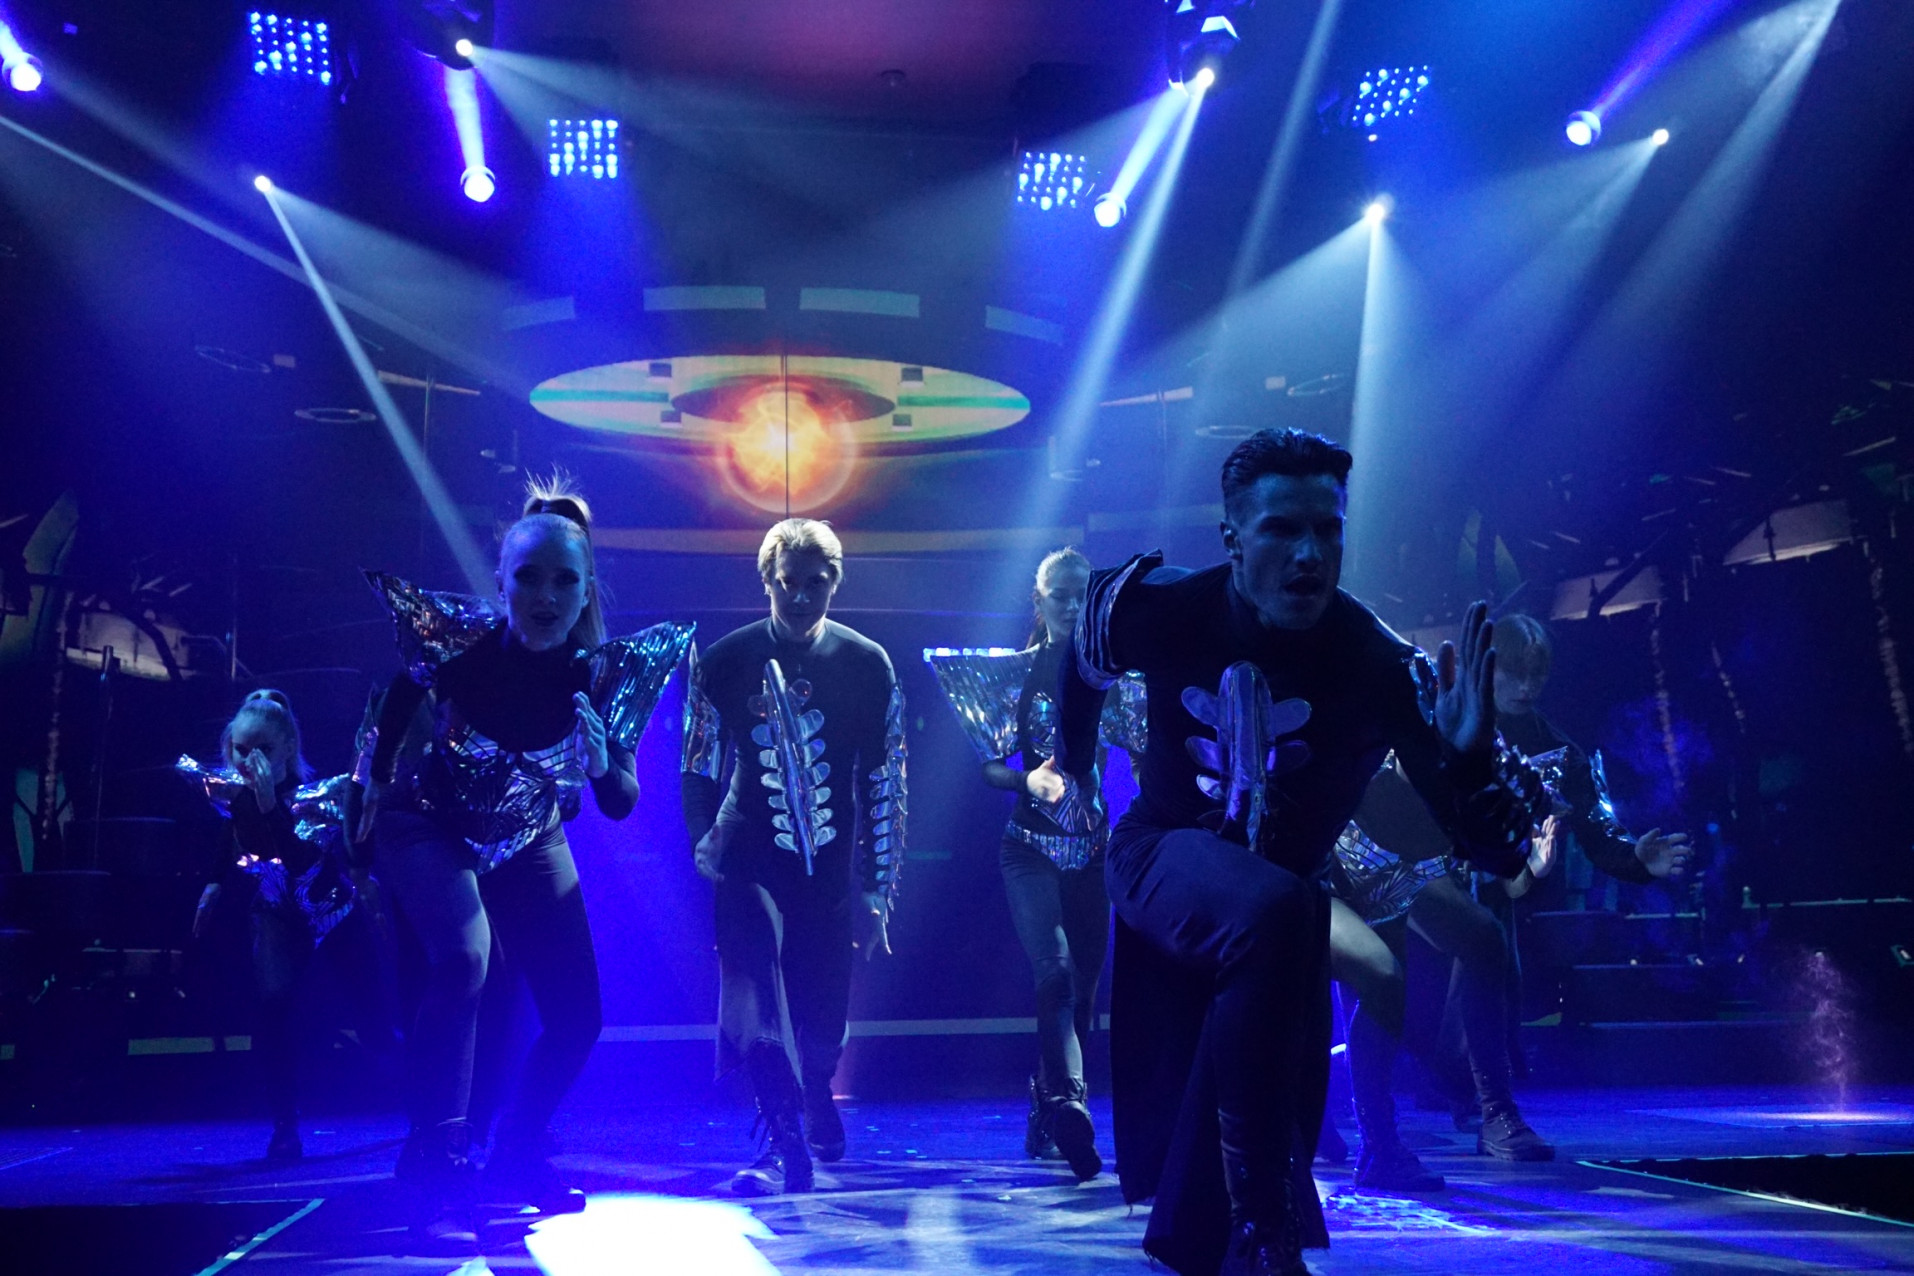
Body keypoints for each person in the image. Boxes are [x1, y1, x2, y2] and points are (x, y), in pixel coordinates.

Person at [1054, 428, 1547, 1276]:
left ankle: (1233, 1227)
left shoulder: (1380, 664)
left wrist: (1468, 764)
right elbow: (1086, 649)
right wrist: (1075, 769)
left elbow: (1493, 857)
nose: (1309, 553)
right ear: (1233, 539)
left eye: (1328, 529)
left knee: (1288, 912)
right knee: (1286, 910)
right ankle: (1265, 1230)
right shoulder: (1162, 608)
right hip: (1159, 854)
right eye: (1283, 529)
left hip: (1281, 901)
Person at [357, 477, 692, 1252]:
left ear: (586, 591)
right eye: (529, 578)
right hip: (429, 822)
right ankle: (436, 1168)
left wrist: (603, 763)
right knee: (465, 960)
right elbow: (404, 688)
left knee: (579, 1018)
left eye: (564, 581)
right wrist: (373, 778)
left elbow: (620, 802)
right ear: (502, 583)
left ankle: (513, 1153)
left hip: (527, 835)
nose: (546, 595)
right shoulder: (463, 642)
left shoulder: (601, 676)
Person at [683, 518, 906, 1197]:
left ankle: (816, 1089)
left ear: (837, 582)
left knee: (824, 1010)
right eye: (789, 583)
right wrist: (704, 838)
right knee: (755, 993)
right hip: (749, 855)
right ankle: (782, 1129)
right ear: (767, 582)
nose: (802, 597)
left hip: (828, 868)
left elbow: (884, 779)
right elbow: (698, 763)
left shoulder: (867, 663)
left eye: (817, 583)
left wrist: (877, 886)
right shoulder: (725, 661)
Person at [924, 548, 1143, 1181]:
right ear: (1039, 601)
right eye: (1060, 596)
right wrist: (1028, 781)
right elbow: (990, 766)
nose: (1071, 606)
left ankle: (1046, 1102)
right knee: (1055, 974)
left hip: (1091, 852)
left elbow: (1144, 748)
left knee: (1085, 995)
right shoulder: (1017, 675)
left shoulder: (1110, 676)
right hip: (1029, 849)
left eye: (1081, 595)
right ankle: (1070, 1105)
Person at [1324, 755, 1561, 1193]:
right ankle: (1334, 1123)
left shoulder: (1465, 782)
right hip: (1322, 858)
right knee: (1370, 977)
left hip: (1397, 870)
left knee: (1426, 961)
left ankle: (1472, 1118)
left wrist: (1530, 867)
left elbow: (1508, 878)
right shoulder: (1381, 769)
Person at [181, 689, 388, 1162]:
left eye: (263, 749)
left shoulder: (312, 800)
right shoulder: (234, 794)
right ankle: (285, 1126)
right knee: (274, 1009)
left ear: (288, 748)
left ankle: (419, 1095)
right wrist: (213, 883)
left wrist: (268, 803)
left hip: (331, 911)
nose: (248, 760)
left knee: (374, 1023)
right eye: (240, 749)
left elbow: (298, 859)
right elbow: (233, 829)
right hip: (276, 910)